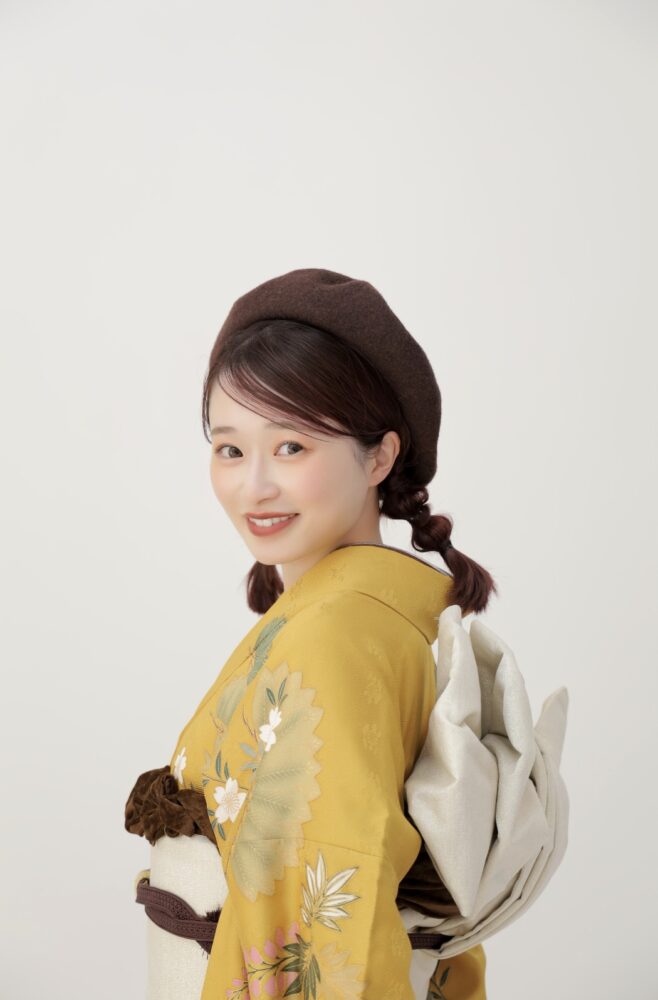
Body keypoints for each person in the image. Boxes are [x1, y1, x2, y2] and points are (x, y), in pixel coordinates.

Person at [126, 267, 499, 1000]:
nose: (254, 486)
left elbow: (336, 899)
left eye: (291, 447)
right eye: (231, 449)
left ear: (380, 456)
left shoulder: (335, 636)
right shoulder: (385, 613)